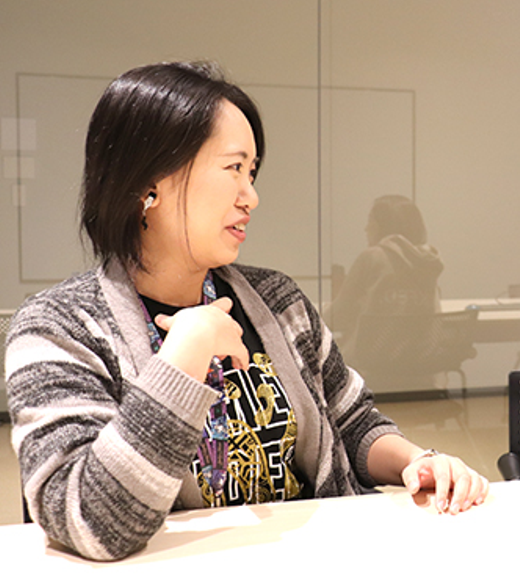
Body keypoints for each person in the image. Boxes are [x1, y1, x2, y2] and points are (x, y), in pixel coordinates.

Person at [3, 62, 487, 561]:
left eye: (251, 173)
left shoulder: (276, 299)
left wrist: (416, 461)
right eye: (233, 168)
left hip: (318, 560)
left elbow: (352, 422)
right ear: (150, 182)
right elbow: (92, 522)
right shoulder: (58, 328)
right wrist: (187, 350)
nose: (250, 196)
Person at [326, 194, 443, 364]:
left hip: (372, 368)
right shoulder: (428, 261)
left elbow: (338, 316)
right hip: (421, 367)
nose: (365, 228)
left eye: (370, 221)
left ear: (383, 226)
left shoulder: (372, 258)